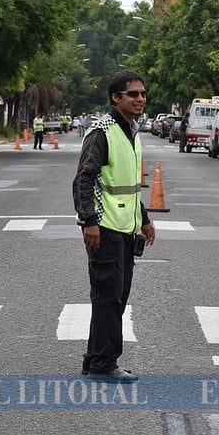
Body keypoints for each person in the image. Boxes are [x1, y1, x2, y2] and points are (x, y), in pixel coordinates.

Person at [72, 70, 156, 383]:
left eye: (142, 94)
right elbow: (84, 178)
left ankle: (95, 360)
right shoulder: (103, 131)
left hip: (124, 227)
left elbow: (128, 184)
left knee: (115, 297)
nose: (140, 99)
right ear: (115, 98)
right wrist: (88, 221)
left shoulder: (130, 131)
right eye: (132, 94)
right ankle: (104, 365)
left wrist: (144, 218)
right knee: (108, 297)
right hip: (104, 228)